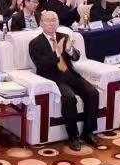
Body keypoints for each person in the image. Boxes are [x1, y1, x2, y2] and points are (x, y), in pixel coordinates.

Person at [28, 10, 100, 150]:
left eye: (54, 20)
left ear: (58, 23)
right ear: (41, 23)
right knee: (70, 98)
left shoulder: (64, 36)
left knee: (93, 93)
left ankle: (88, 132)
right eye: (47, 20)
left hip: (69, 74)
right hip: (51, 77)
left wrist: (69, 51)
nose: (51, 23)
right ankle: (73, 137)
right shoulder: (35, 43)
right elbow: (41, 64)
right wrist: (57, 52)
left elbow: (76, 57)